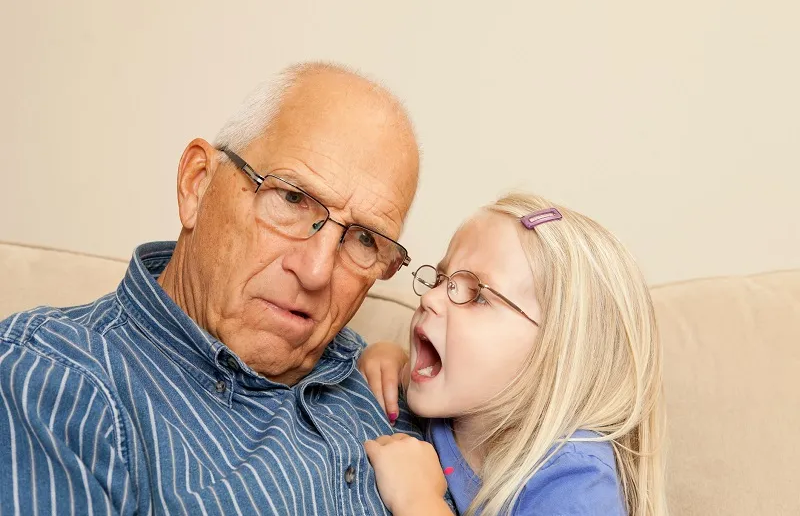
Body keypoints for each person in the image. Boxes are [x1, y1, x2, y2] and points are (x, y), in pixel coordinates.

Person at [0, 62, 427, 515]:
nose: (317, 271)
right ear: (196, 184)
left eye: (365, 239)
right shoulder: (56, 381)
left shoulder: (388, 387)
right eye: (291, 198)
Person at [361, 193, 668, 515]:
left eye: (477, 295)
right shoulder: (448, 410)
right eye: (441, 279)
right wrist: (388, 357)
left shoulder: (574, 480)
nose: (431, 299)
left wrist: (418, 501)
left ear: (557, 353)